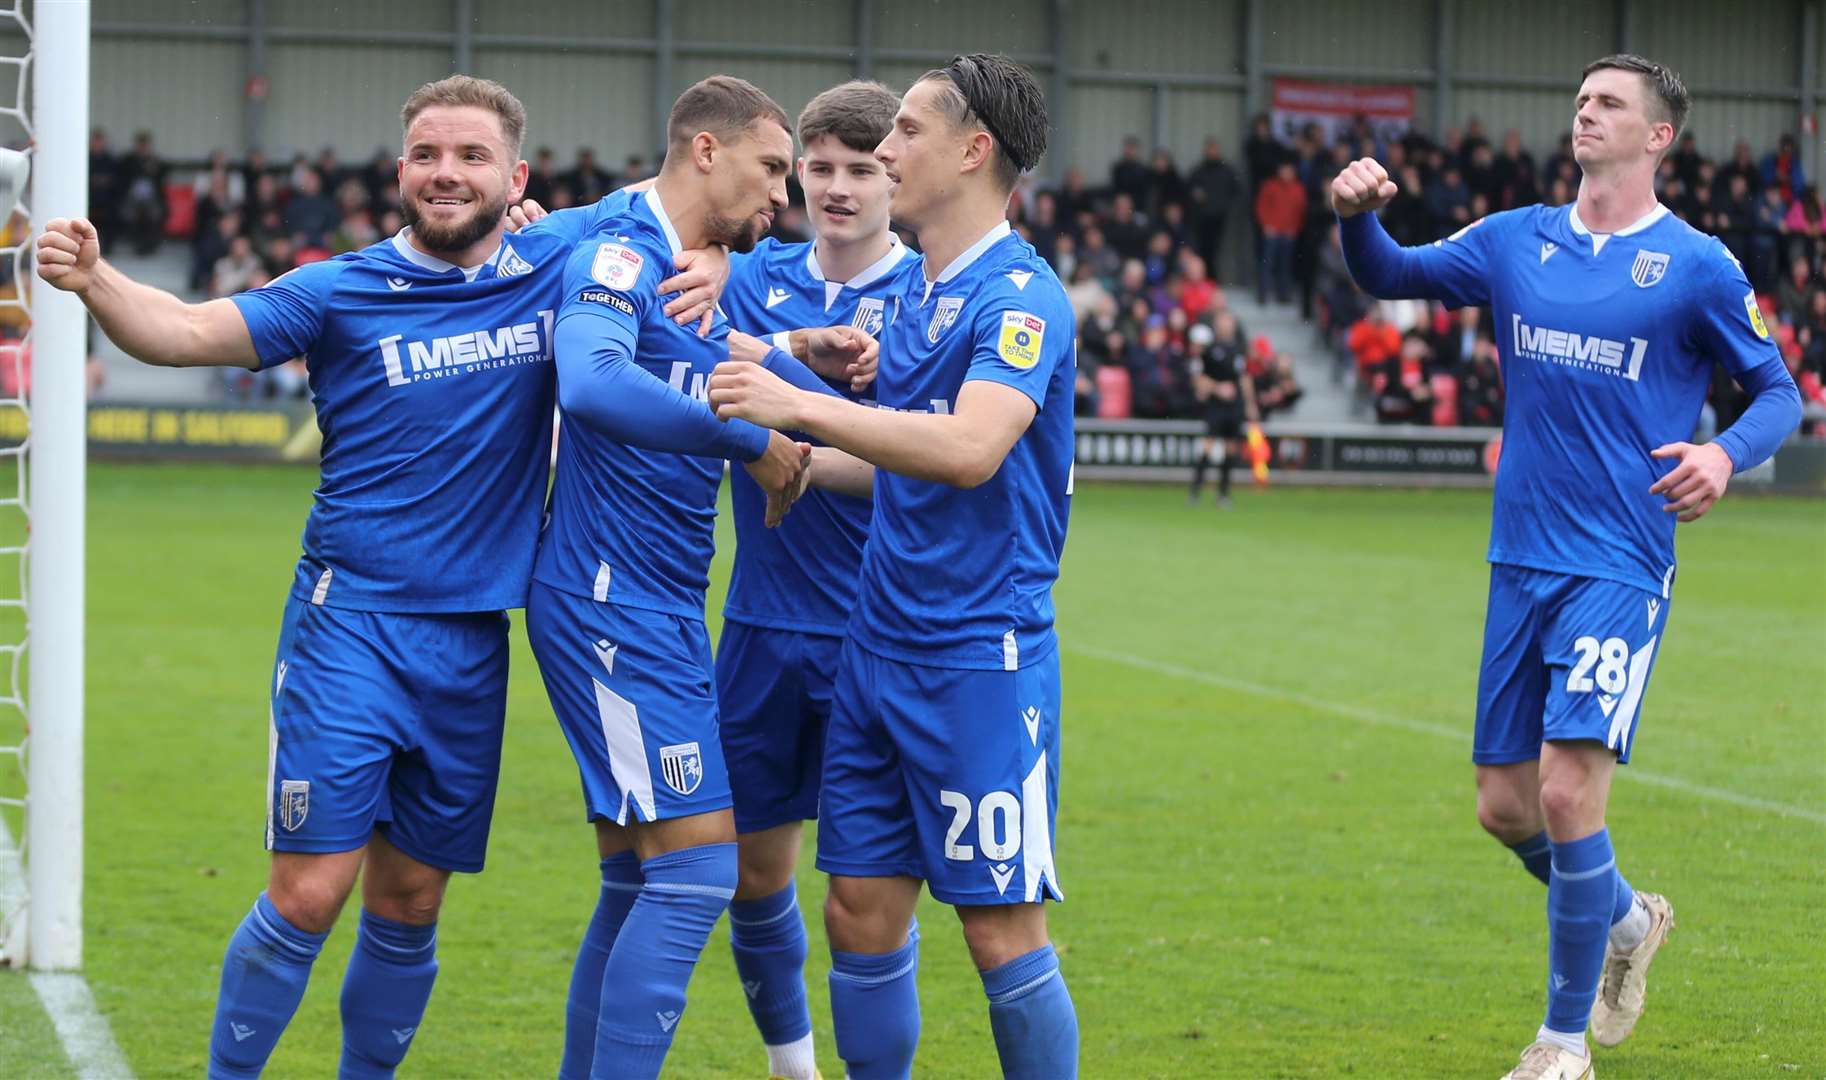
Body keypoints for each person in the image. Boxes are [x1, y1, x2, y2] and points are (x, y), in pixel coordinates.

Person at [35, 75, 733, 1079]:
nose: (446, 175)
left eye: (470, 158)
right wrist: (99, 280)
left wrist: (707, 259)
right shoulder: (337, 288)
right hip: (350, 627)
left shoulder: (559, 263)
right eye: (427, 156)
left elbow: (691, 210)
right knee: (310, 894)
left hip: (471, 642)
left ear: (516, 177)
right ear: (399, 169)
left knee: (410, 903)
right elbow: (184, 332)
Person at [1333, 54, 1801, 1080]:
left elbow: (1777, 392)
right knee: (1500, 806)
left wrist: (1723, 453)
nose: (1584, 113)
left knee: (1561, 796)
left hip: (1618, 563)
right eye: (1580, 99)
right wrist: (1354, 216)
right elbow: (1392, 274)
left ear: (1656, 138)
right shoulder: (1515, 240)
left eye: (1607, 104)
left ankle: (1558, 1045)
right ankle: (1626, 918)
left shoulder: (1696, 265)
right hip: (1517, 560)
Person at [709, 52, 1080, 1079]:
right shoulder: (920, 291)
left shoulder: (1018, 297)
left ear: (973, 151)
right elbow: (899, 470)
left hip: (974, 657)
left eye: (907, 131)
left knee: (997, 930)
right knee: (857, 910)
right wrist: (800, 458)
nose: (883, 148)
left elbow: (967, 451)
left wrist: (801, 407)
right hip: (877, 645)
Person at [524, 75, 872, 1080]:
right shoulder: (622, 251)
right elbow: (590, 382)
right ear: (705, 152)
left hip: (660, 608)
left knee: (642, 884)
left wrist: (800, 356)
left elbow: (719, 361)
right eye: (774, 169)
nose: (786, 195)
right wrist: (749, 439)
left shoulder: (691, 268)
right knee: (695, 876)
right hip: (608, 604)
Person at [709, 78, 919, 1080]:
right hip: (755, 623)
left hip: (870, 634)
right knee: (752, 880)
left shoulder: (927, 296)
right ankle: (792, 1069)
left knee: (860, 900)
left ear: (896, 174)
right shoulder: (750, 281)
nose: (836, 188)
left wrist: (781, 440)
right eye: (819, 167)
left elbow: (921, 466)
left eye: (860, 169)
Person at [1187, 315, 1258, 508]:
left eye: (1229, 322)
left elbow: (1244, 378)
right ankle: (1195, 492)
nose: (1226, 325)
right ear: (1217, 326)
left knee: (1231, 449)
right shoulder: (1209, 350)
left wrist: (1250, 403)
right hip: (1216, 406)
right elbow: (1198, 378)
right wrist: (1218, 388)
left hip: (1234, 407)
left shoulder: (1239, 350)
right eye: (1222, 322)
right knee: (1208, 447)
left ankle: (1223, 494)